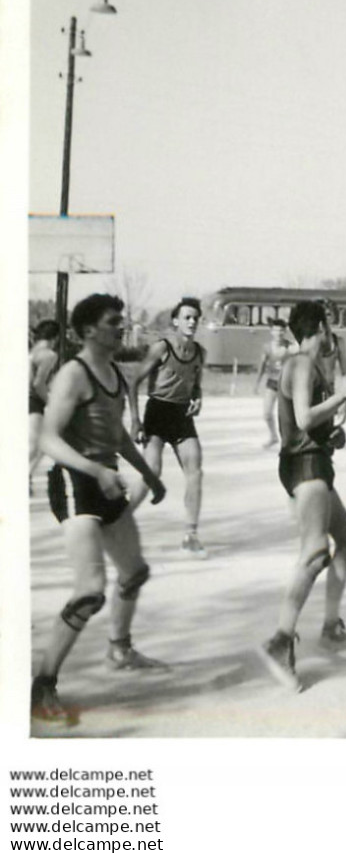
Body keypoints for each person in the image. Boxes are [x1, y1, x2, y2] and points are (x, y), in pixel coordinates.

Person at [31, 294, 167, 727]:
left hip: (106, 481)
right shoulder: (74, 372)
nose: (121, 327)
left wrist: (150, 473)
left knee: (135, 573)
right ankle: (43, 684)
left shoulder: (113, 372)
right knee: (91, 589)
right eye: (113, 322)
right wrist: (95, 470)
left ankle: (120, 649)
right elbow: (47, 439)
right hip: (75, 482)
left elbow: (119, 436)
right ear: (89, 330)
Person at [259, 300, 346, 692]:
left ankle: (331, 624)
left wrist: (333, 433)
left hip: (313, 459)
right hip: (305, 465)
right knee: (316, 552)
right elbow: (303, 418)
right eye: (328, 324)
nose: (331, 331)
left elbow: (309, 425)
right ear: (320, 326)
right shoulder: (301, 363)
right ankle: (280, 641)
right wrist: (342, 396)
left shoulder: (308, 365)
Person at [128, 297, 207, 558]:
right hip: (158, 411)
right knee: (152, 471)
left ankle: (191, 534)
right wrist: (136, 420)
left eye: (196, 317)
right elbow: (133, 382)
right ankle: (120, 520)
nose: (192, 321)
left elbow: (196, 385)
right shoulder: (162, 348)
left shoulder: (200, 353)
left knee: (195, 471)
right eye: (187, 317)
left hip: (182, 415)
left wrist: (198, 399)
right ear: (175, 321)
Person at [29, 319, 60, 495]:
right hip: (33, 402)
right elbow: (39, 383)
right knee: (40, 444)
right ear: (55, 337)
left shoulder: (31, 351)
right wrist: (51, 403)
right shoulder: (49, 355)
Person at [253, 319, 292, 448]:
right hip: (272, 383)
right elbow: (262, 366)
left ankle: (289, 440)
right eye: (276, 330)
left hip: (287, 385)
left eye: (281, 330)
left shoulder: (290, 347)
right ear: (271, 332)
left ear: (285, 332)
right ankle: (274, 436)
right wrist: (257, 383)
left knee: (287, 416)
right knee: (267, 413)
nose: (278, 333)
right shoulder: (267, 347)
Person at [317, 299, 346, 431]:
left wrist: (344, 401)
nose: (325, 318)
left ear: (334, 317)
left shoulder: (338, 342)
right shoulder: (306, 342)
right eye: (321, 314)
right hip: (309, 392)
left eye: (328, 314)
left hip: (329, 393)